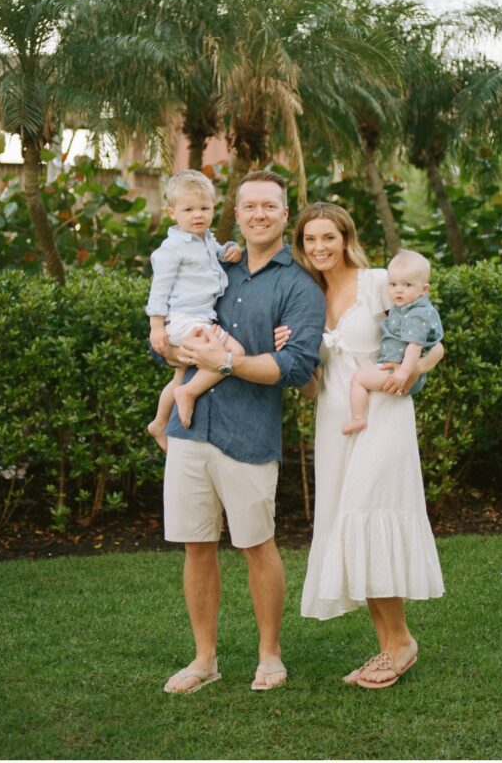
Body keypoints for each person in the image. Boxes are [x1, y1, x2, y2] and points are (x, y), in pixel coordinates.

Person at [161, 171, 326, 694]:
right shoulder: (213, 264)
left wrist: (229, 364)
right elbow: (170, 332)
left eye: (269, 206)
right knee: (196, 545)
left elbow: (297, 368)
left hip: (248, 433)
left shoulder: (298, 285)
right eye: (249, 205)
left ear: (285, 214)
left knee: (258, 545)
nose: (258, 214)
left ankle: (269, 656)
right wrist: (173, 349)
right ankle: (204, 659)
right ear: (236, 212)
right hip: (189, 429)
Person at [293, 203, 445, 690]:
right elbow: (313, 385)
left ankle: (400, 641)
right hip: (336, 421)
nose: (319, 247)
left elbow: (436, 340)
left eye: (328, 237)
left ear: (345, 237)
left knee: (369, 512)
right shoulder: (307, 295)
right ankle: (387, 647)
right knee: (347, 523)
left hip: (382, 415)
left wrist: (411, 372)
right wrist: (300, 365)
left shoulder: (378, 281)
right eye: (310, 239)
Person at [146, 170, 245, 451]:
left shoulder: (204, 239)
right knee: (233, 353)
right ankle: (188, 393)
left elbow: (217, 253)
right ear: (172, 212)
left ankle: (159, 422)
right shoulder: (173, 248)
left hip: (199, 317)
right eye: (188, 209)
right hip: (181, 319)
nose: (198, 215)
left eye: (204, 208)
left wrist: (230, 250)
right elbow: (159, 289)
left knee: (181, 371)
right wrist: (156, 326)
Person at [342, 249, 443, 435]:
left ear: (424, 289)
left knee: (358, 380)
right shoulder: (405, 306)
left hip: (398, 370)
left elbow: (415, 346)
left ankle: (358, 418)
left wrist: (404, 372)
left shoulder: (417, 314)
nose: (398, 290)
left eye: (407, 285)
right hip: (397, 368)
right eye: (393, 284)